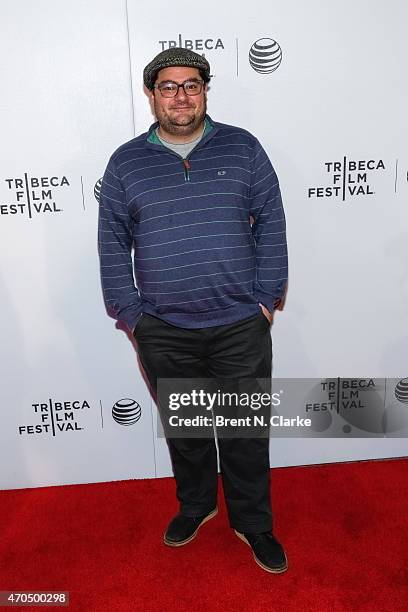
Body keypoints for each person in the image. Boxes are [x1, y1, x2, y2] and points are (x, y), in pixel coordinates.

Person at [98, 47, 288, 573]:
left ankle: (253, 523)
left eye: (191, 85)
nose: (180, 96)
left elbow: (271, 220)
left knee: (245, 434)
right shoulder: (125, 163)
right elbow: (113, 245)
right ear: (151, 94)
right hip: (164, 327)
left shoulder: (243, 148)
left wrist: (266, 300)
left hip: (239, 326)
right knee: (187, 430)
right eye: (168, 86)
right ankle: (197, 505)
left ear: (205, 90)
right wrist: (132, 315)